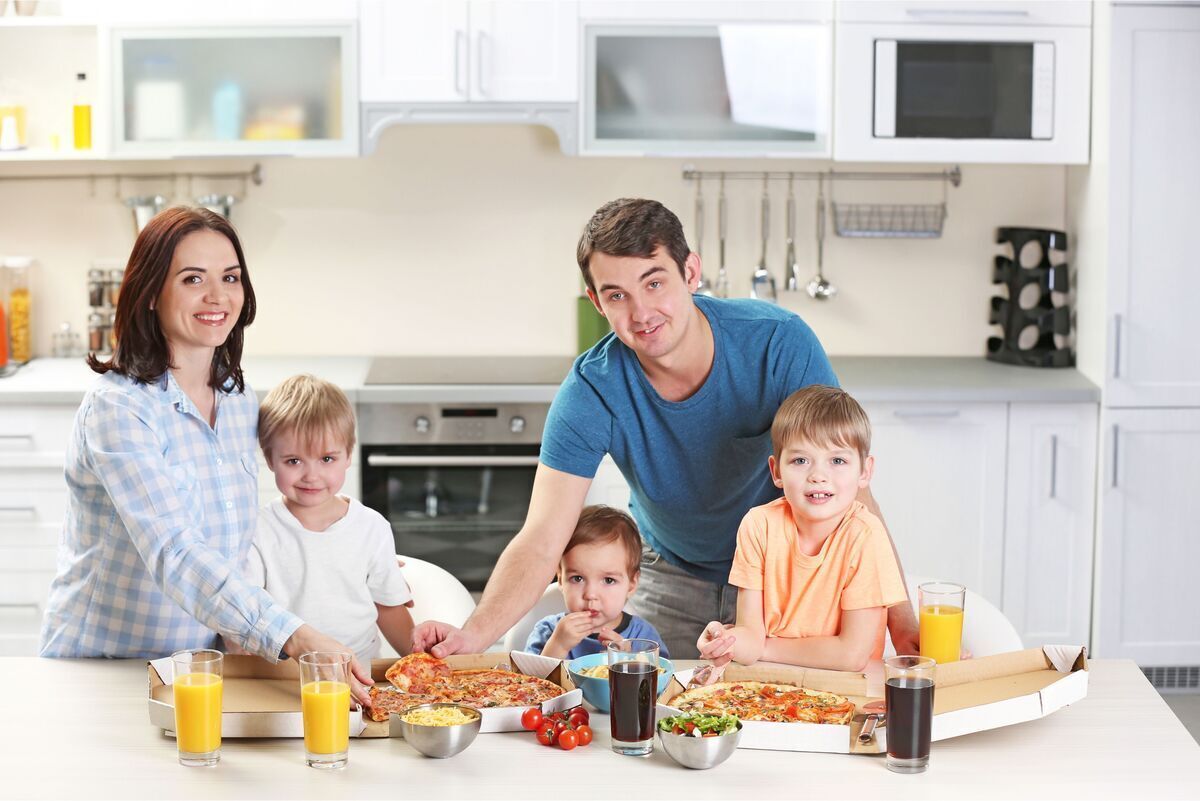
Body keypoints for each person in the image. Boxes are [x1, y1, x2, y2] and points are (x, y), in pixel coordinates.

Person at [413, 198, 919, 659]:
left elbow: (850, 494)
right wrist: (473, 635)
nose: (641, 313)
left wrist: (902, 621)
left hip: (788, 580)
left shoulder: (777, 344)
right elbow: (543, 537)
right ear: (597, 302)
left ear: (691, 272)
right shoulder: (592, 390)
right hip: (671, 575)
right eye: (618, 295)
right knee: (649, 720)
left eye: (654, 283)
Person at [38, 207, 373, 705]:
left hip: (197, 671)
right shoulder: (121, 408)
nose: (218, 297)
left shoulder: (238, 399)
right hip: (105, 670)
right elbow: (175, 552)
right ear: (151, 292)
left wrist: (349, 553)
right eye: (193, 278)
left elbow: (238, 543)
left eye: (230, 277)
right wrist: (294, 636)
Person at [696, 385, 908, 672]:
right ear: (776, 471)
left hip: (850, 692)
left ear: (864, 472)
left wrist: (764, 647)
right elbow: (750, 636)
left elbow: (851, 655)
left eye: (837, 460)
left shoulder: (865, 535)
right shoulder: (758, 526)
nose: (818, 476)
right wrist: (725, 640)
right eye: (800, 460)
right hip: (772, 685)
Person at [243, 374, 415, 667]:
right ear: (270, 459)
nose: (311, 475)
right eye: (293, 461)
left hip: (360, 676)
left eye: (326, 459)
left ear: (348, 454)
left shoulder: (372, 527)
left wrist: (418, 662)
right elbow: (248, 617)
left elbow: (389, 609)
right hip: (284, 679)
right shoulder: (258, 530)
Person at [524, 505, 668, 660]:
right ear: (560, 579)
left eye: (608, 580)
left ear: (632, 583)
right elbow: (529, 681)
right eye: (577, 578)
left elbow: (662, 679)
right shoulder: (548, 632)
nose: (590, 594)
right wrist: (558, 646)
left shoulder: (644, 636)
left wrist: (630, 661)